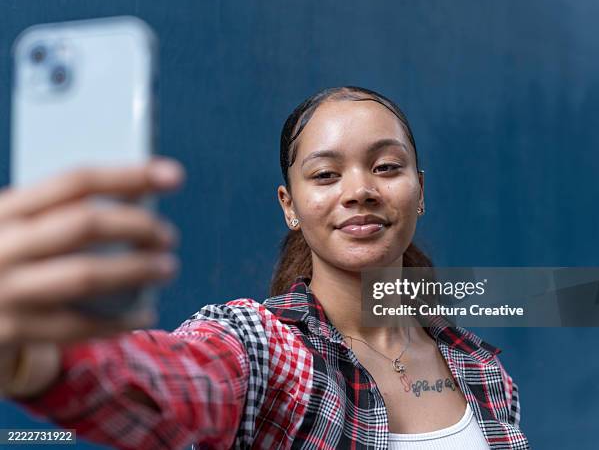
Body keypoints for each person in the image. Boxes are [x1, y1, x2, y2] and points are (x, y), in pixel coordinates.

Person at [0, 86, 530, 449]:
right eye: (325, 175)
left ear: (420, 193)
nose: (360, 191)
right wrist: (37, 357)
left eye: (386, 167)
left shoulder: (484, 373)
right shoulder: (266, 350)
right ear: (290, 206)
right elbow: (176, 381)